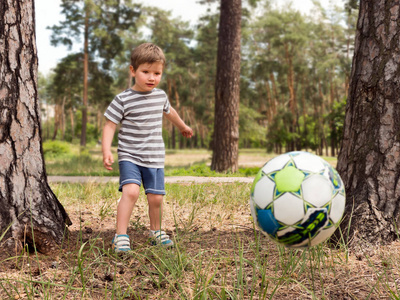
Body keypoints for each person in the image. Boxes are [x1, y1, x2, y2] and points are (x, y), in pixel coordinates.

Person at [102, 43, 193, 253]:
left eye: (157, 73)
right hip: (130, 155)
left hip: (154, 156)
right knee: (131, 192)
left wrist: (183, 126)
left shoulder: (160, 96)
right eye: (145, 72)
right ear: (133, 71)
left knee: (156, 197)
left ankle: (156, 232)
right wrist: (106, 150)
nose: (151, 78)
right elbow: (109, 125)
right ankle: (121, 235)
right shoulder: (122, 99)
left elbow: (170, 112)